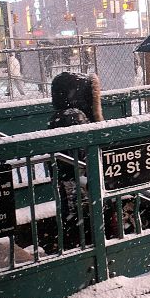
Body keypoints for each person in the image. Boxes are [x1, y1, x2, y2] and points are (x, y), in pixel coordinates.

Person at [48, 72, 103, 248]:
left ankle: (72, 243)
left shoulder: (60, 115)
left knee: (70, 213)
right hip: (77, 179)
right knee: (81, 215)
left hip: (65, 176)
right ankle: (84, 246)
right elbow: (83, 154)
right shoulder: (74, 117)